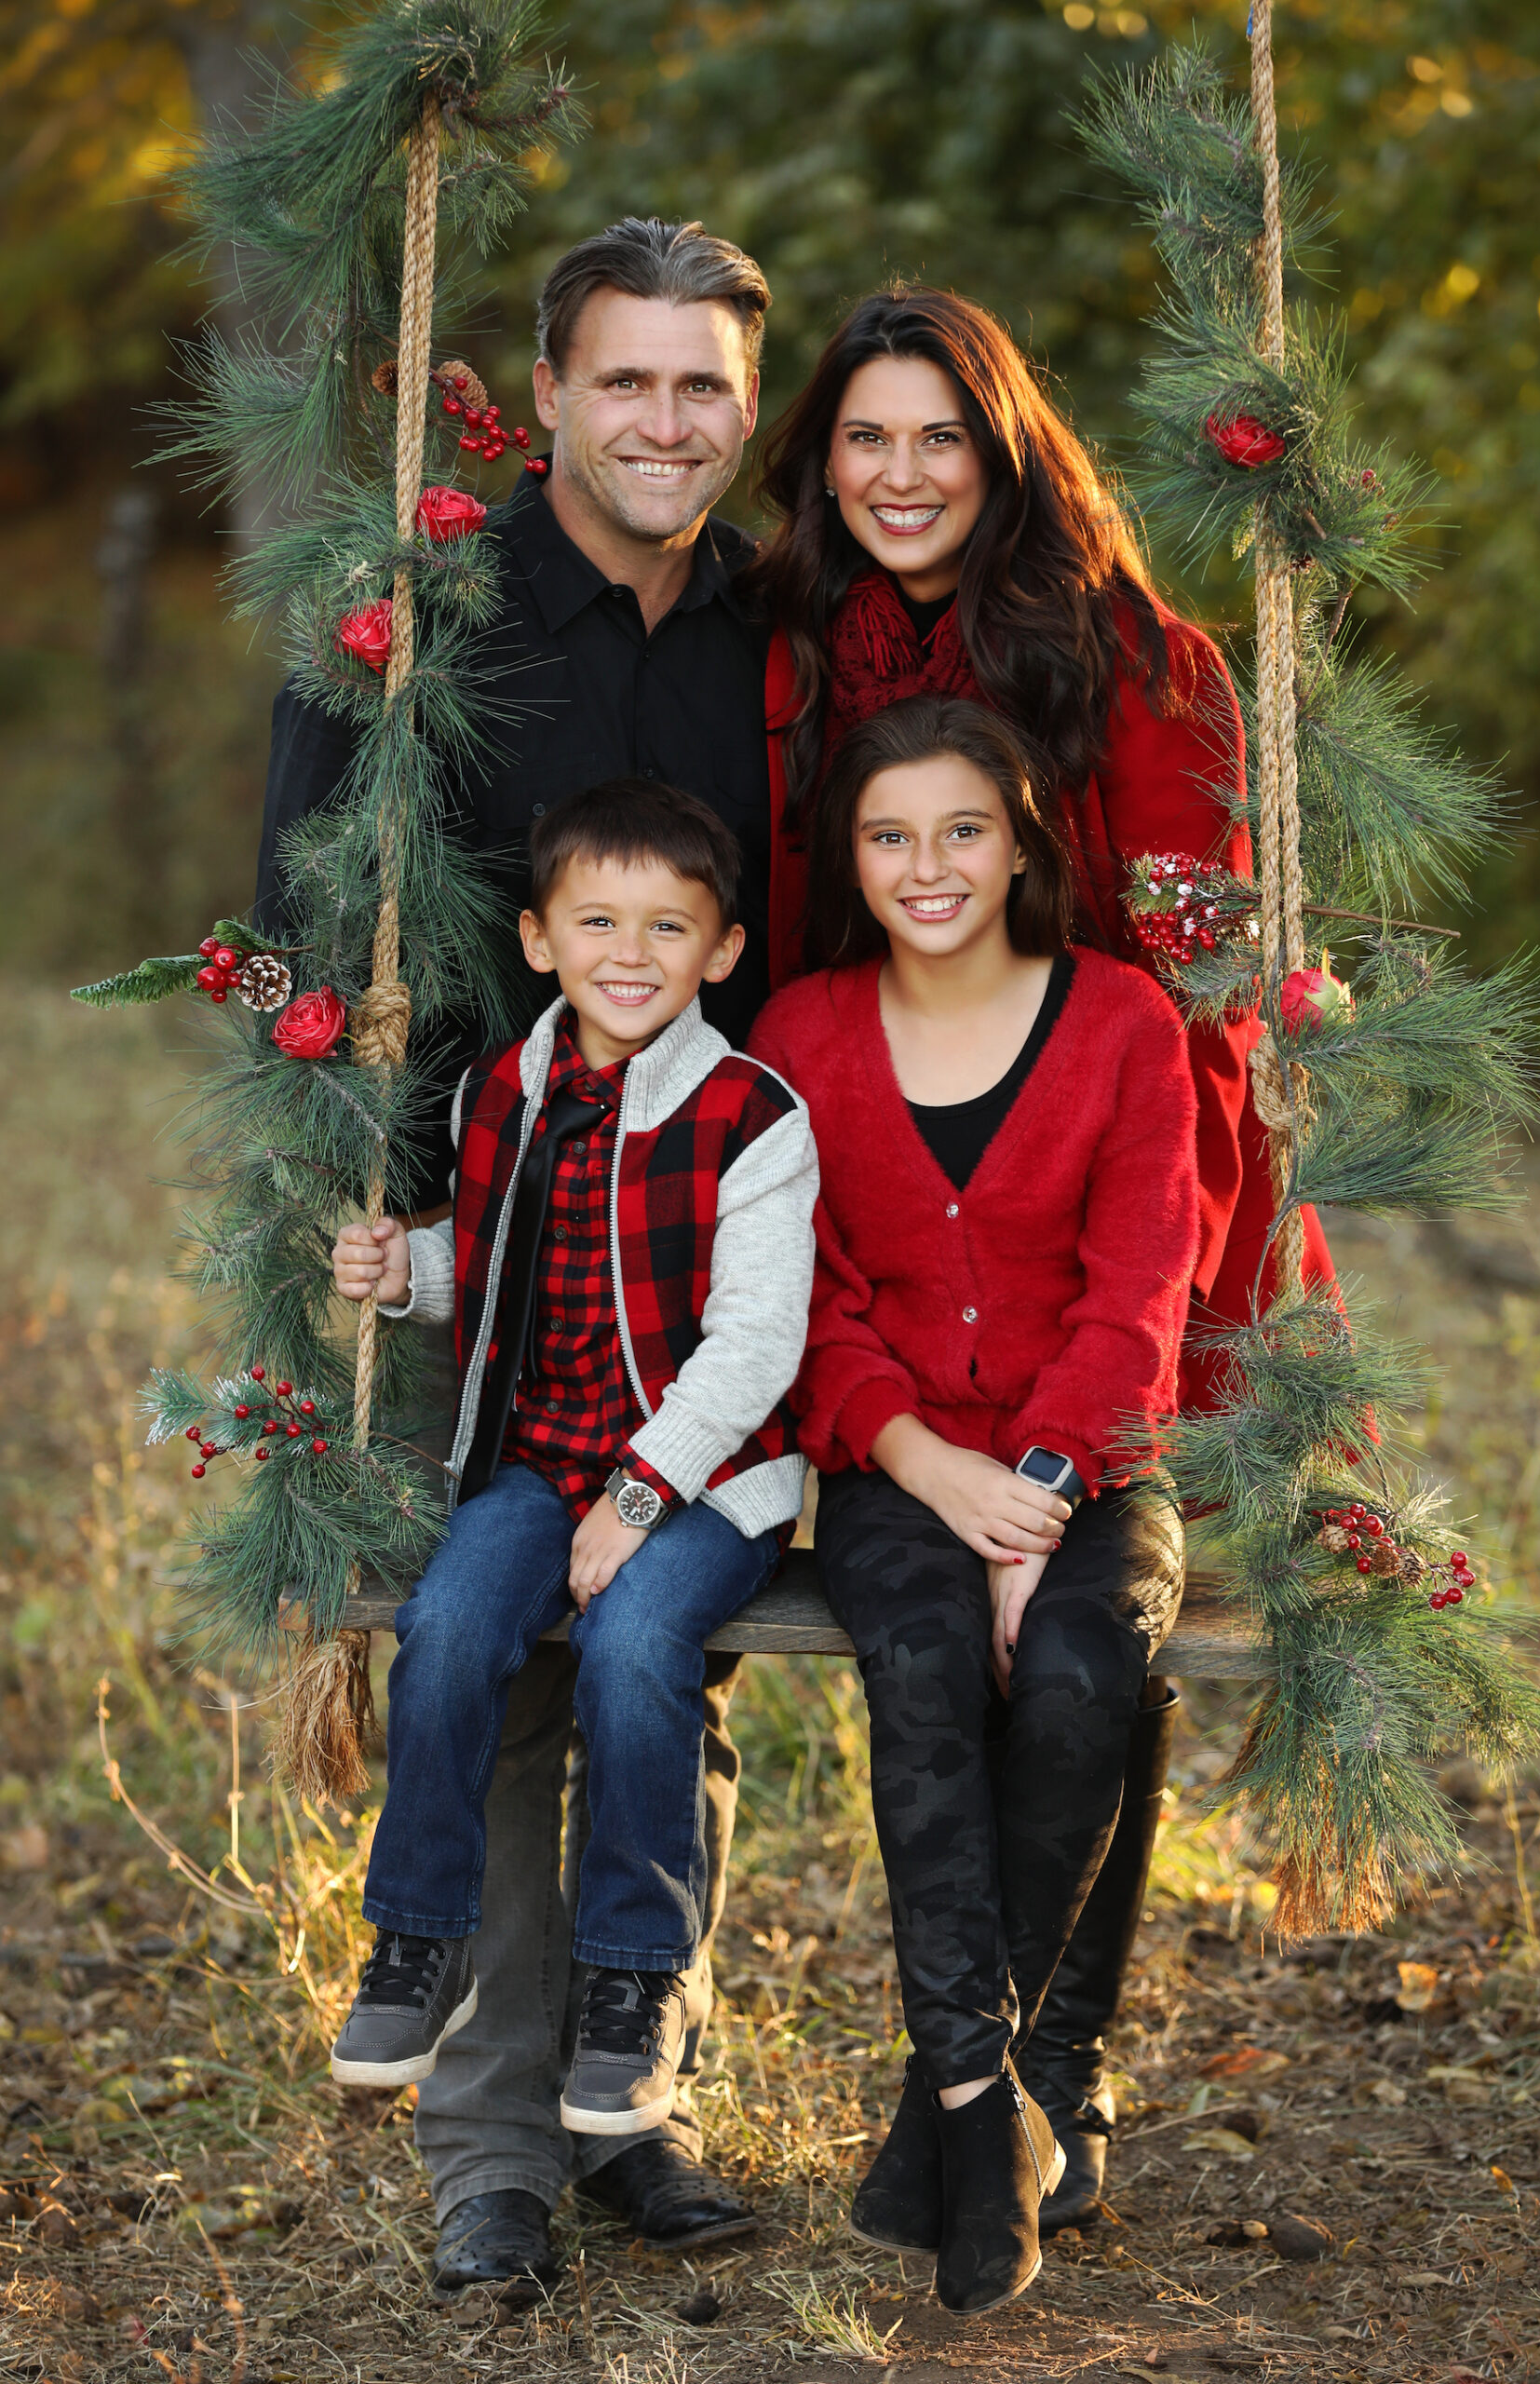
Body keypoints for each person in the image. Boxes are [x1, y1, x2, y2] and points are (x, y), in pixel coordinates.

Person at [742, 283, 1335, 2226]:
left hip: (1113, 1163)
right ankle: (996, 2082)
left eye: (941, 435)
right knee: (954, 1638)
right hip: (880, 1205)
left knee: (1096, 1645)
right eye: (864, 437)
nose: (901, 473)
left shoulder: (1131, 655)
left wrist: (1153, 1242)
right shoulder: (796, 647)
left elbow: (1195, 960)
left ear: (1003, 453)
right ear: (821, 462)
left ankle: (1050, 2073)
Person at [254, 218, 777, 2293]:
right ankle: (492, 2151)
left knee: (666, 1669)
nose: (666, 421)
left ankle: (627, 2105)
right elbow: (310, 914)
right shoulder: (424, 623)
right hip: (468, 1243)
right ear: (546, 394)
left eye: (704, 384)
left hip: (708, 1241)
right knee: (500, 1675)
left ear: (748, 404)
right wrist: (376, 1225)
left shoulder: (771, 629)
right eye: (623, 378)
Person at [750, 697, 1199, 2314]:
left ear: (1021, 843)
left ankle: (962, 2104)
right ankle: (983, 2099)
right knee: (927, 1670)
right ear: (851, 859)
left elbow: (1144, 1283)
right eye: (889, 836)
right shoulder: (801, 1032)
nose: (926, 865)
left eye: (961, 830)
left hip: (1097, 1463)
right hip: (892, 1467)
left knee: (1080, 1674)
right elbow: (799, 1291)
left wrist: (1041, 1498)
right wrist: (932, 1468)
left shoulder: (1125, 1021)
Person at [326, 780, 816, 2141]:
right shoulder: (501, 1090)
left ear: (722, 949)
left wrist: (639, 1497)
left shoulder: (752, 1114)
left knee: (635, 1648)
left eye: (669, 926)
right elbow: (494, 1265)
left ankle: (631, 1978)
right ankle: (419, 1937)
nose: (629, 953)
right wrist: (407, 1272)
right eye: (597, 921)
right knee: (447, 1625)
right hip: (541, 1463)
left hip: (706, 1483)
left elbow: (758, 1345)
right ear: (539, 939)